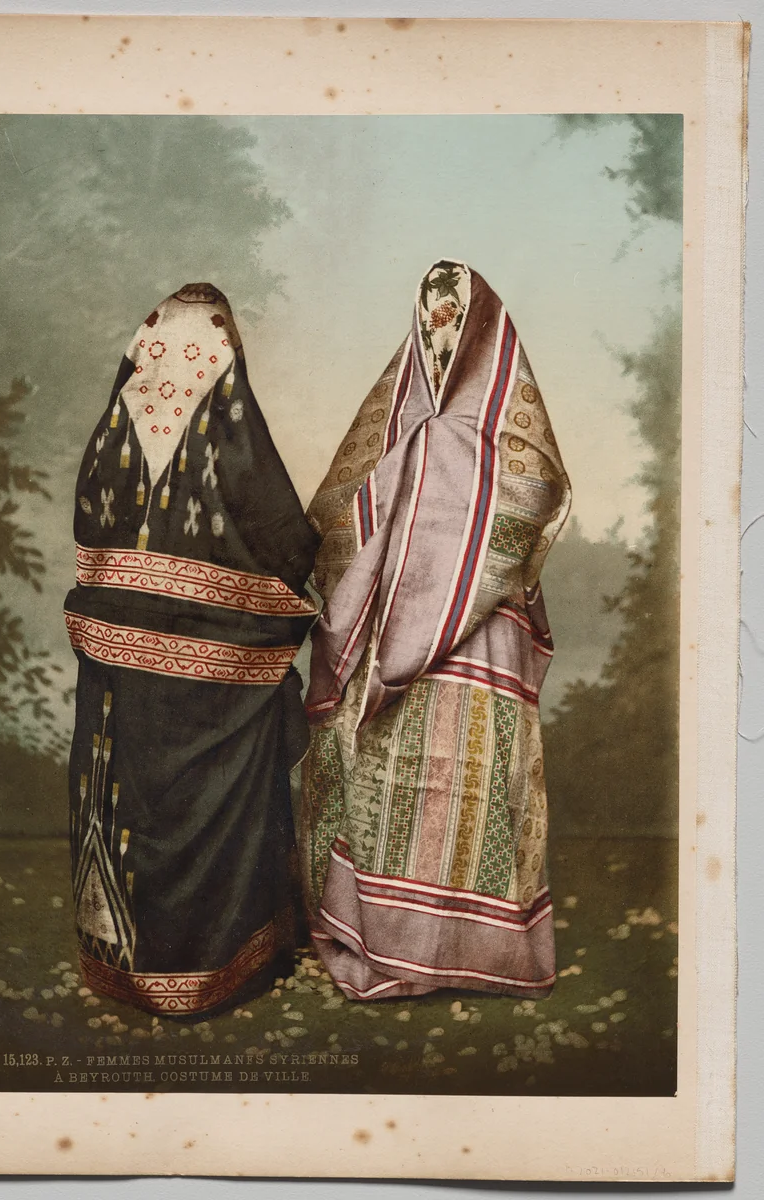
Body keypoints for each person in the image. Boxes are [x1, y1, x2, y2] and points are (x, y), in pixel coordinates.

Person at [300, 259, 571, 1001]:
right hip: (386, 631)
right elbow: (337, 519)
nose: (441, 337)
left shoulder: (512, 443)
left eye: (454, 322)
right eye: (430, 323)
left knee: (470, 787)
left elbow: (526, 511)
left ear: (485, 332)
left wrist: (447, 563)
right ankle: (381, 942)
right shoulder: (394, 423)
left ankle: (472, 949)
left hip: (478, 639)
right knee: (386, 782)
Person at [64, 283, 318, 1017]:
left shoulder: (110, 434)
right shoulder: (230, 430)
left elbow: (91, 540)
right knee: (206, 803)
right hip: (215, 675)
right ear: (223, 355)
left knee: (127, 801)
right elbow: (284, 536)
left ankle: (125, 968)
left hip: (116, 668)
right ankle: (214, 969)